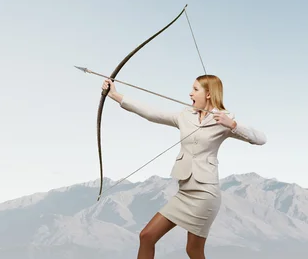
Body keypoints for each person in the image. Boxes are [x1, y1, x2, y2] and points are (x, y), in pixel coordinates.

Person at [102, 74, 267, 259]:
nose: (190, 93)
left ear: (208, 94)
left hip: (206, 194)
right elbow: (152, 113)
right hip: (185, 192)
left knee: (193, 250)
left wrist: (233, 125)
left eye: (195, 89)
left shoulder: (223, 120)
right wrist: (115, 96)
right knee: (146, 236)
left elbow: (260, 139)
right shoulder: (185, 116)